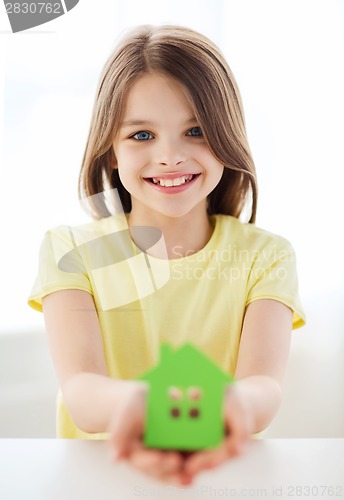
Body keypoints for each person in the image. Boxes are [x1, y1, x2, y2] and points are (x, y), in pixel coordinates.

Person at [28, 24, 305, 485]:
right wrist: (144, 406)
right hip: (99, 485)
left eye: (195, 130)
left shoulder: (266, 257)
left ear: (226, 135)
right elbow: (81, 391)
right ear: (111, 151)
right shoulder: (70, 251)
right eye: (141, 136)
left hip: (220, 481)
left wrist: (232, 406)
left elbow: (262, 389)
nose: (170, 156)